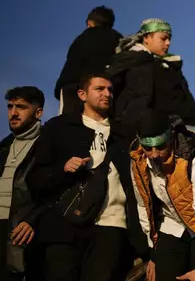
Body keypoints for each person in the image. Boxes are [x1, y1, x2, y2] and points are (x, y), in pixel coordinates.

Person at [27, 73, 148, 281]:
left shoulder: (125, 134)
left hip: (112, 226)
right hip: (65, 228)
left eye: (110, 90)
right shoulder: (59, 128)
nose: (107, 94)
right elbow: (35, 179)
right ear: (82, 94)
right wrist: (63, 169)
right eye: (100, 89)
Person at [107, 18, 195, 205]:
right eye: (163, 38)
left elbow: (186, 98)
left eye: (169, 38)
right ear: (147, 37)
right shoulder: (129, 62)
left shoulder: (172, 64)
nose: (168, 43)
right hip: (156, 131)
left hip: (188, 126)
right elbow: (112, 94)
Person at [130, 110, 195, 281]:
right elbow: (143, 205)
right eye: (147, 148)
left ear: (171, 138)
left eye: (160, 147)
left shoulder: (194, 158)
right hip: (171, 225)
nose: (154, 154)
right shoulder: (137, 160)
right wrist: (154, 253)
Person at [0, 87, 45, 280]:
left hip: (20, 231)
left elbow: (55, 192)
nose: (13, 113)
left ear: (38, 112)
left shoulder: (47, 144)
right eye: (10, 107)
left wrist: (32, 219)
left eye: (21, 107)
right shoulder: (3, 147)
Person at [55, 6, 122, 116]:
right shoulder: (117, 39)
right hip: (105, 91)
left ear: (90, 23)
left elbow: (70, 66)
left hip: (73, 88)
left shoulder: (81, 38)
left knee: (67, 127)